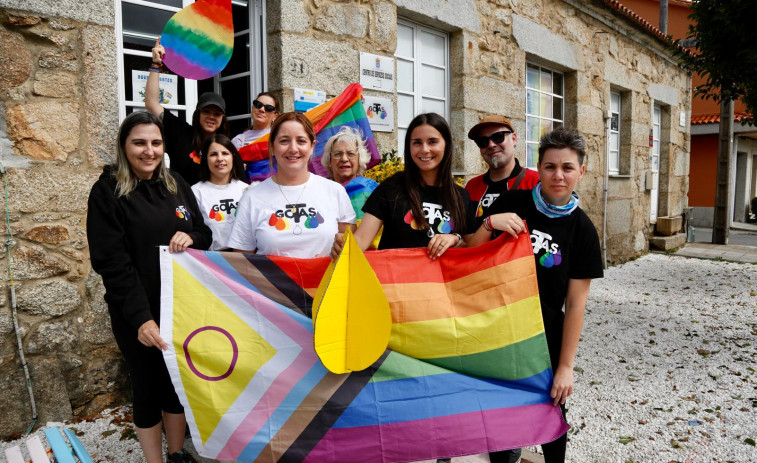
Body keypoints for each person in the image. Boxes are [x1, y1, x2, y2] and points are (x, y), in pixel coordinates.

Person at [470, 127, 604, 463]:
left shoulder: (583, 230)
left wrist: (566, 367)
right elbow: (470, 254)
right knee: (501, 419)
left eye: (568, 167)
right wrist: (489, 223)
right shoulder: (513, 202)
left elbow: (575, 304)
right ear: (539, 168)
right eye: (550, 166)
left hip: (546, 338)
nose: (558, 175)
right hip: (499, 332)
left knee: (550, 419)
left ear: (581, 172)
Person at [87, 111, 212, 463]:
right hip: (136, 312)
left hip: (179, 306)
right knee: (147, 384)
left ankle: (176, 454)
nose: (149, 151)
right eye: (139, 143)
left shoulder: (176, 183)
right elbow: (111, 263)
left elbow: (205, 233)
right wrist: (142, 319)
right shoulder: (108, 191)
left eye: (155, 143)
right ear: (124, 147)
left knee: (176, 381)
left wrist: (192, 235)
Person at [330, 112, 476, 261]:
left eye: (432, 142)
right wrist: (342, 243)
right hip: (396, 282)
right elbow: (360, 241)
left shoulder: (460, 196)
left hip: (443, 283)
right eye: (417, 142)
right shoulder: (391, 188)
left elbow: (473, 246)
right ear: (409, 147)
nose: (424, 149)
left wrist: (454, 239)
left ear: (446, 145)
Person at [227, 112, 356, 258]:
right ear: (271, 147)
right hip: (271, 282)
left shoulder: (335, 191)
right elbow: (242, 262)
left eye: (301, 141)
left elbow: (349, 248)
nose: (293, 149)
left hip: (327, 281)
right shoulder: (251, 197)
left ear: (312, 146)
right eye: (284, 141)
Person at [145, 37, 229, 186]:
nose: (211, 117)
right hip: (182, 205)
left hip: (215, 208)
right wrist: (156, 64)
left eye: (217, 114)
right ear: (198, 114)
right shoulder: (180, 132)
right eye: (206, 111)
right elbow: (151, 103)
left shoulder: (227, 145)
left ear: (223, 118)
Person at [465, 115, 539, 222]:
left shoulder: (536, 183)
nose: (491, 145)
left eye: (498, 137)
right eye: (483, 141)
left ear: (514, 139)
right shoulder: (472, 186)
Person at [191, 134, 249, 250]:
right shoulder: (195, 192)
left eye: (225, 153)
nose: (220, 159)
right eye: (213, 154)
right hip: (210, 261)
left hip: (243, 259)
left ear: (233, 156)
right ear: (206, 159)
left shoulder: (246, 190)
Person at [320, 126, 379, 224]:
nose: (344, 159)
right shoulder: (321, 191)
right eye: (338, 154)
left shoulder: (370, 189)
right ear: (329, 161)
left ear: (359, 159)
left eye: (350, 154)